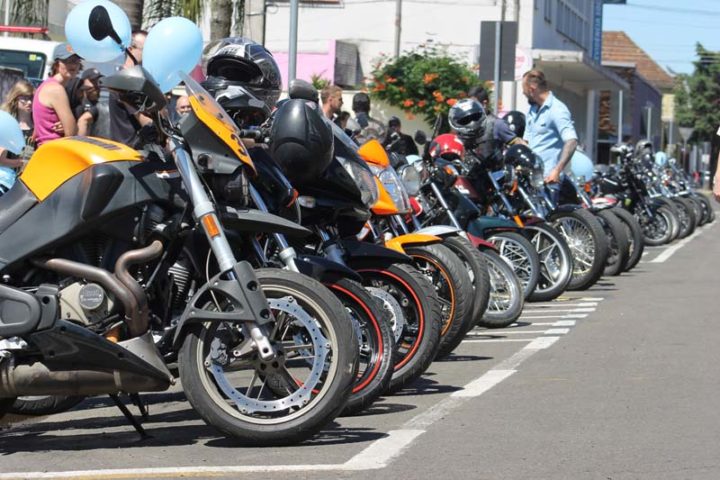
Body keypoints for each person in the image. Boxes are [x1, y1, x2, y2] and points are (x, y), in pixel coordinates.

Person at [522, 69, 578, 204]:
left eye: (524, 89)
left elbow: (571, 141)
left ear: (532, 89)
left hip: (549, 180)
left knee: (549, 222)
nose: (523, 93)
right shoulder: (533, 110)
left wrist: (557, 171)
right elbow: (526, 142)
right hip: (533, 179)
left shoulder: (557, 110)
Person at [32, 43, 81, 146]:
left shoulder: (46, 85)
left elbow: (37, 130)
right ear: (57, 64)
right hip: (53, 150)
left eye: (77, 61)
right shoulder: (56, 89)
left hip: (47, 149)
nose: (73, 65)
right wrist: (70, 125)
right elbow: (71, 133)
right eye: (68, 61)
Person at [468, 85, 525, 157]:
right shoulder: (467, 124)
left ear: (484, 104)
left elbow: (518, 144)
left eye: (473, 105)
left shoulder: (497, 124)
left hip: (491, 167)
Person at [0, 80, 35, 195]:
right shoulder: (8, 124)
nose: (29, 102)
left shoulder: (38, 125)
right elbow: (1, 160)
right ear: (15, 99)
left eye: (31, 98)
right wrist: (24, 163)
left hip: (28, 184)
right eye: (24, 98)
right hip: (6, 182)